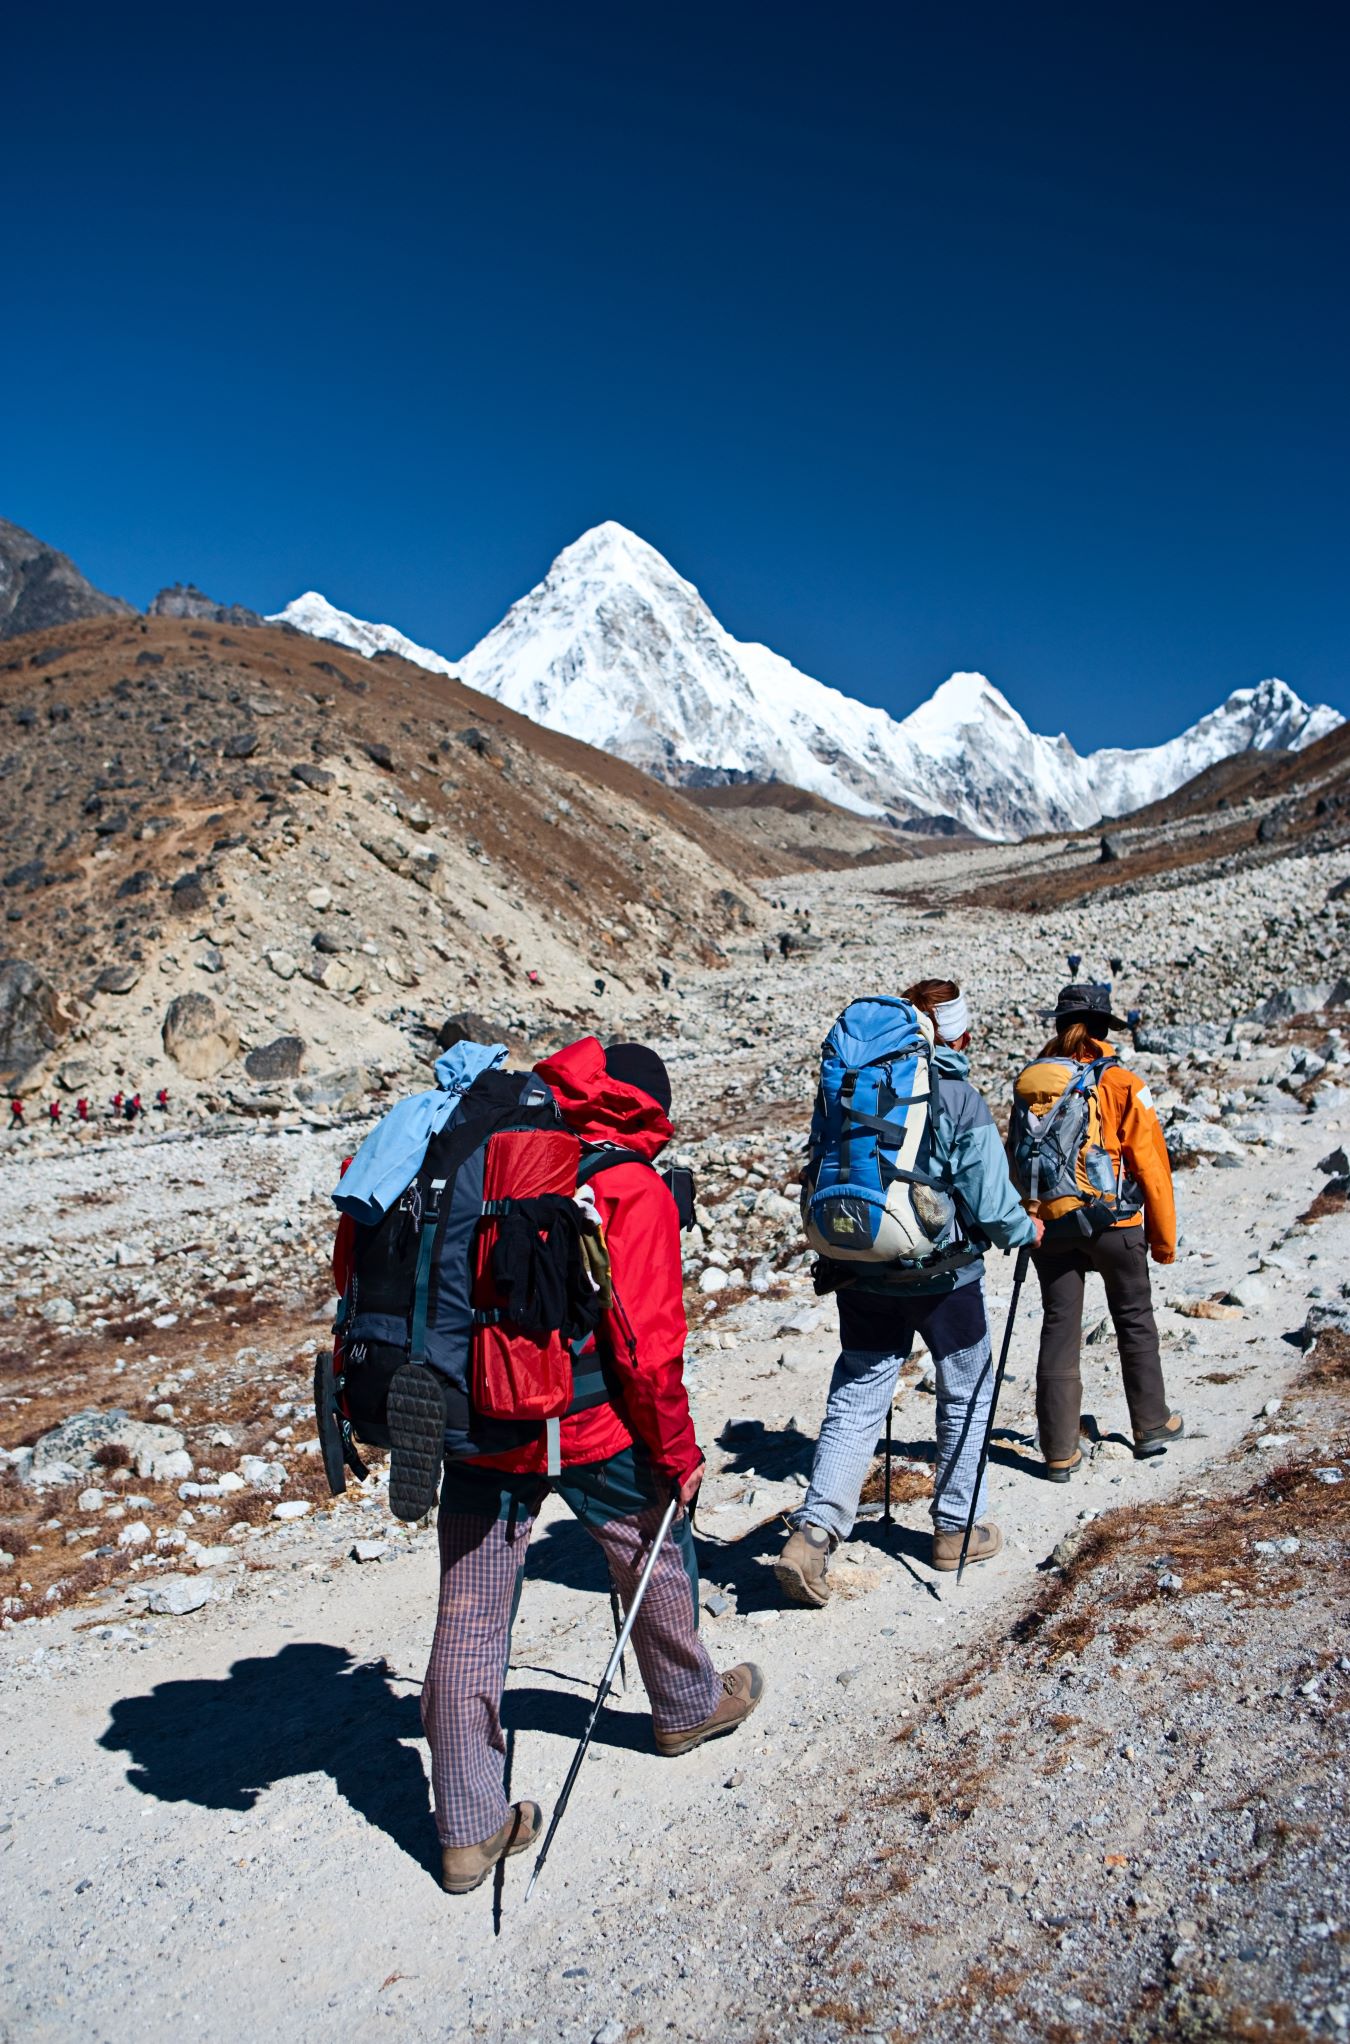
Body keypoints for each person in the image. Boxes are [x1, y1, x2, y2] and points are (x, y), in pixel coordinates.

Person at [420, 1036, 764, 1894]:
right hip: (585, 1422)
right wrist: (679, 1456)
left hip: (477, 1417)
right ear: (649, 1111)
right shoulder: (627, 1184)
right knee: (653, 1547)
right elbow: (647, 1354)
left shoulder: (486, 1152)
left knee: (469, 1612)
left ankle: (467, 1829)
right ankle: (687, 1706)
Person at [776, 980, 1041, 1605]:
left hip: (860, 1262)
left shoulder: (848, 1087)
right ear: (950, 1030)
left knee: (859, 1393)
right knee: (967, 1389)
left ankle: (813, 1535)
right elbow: (993, 1204)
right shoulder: (953, 1095)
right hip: (943, 1275)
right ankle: (954, 1528)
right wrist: (1026, 1229)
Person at [1013, 983, 1181, 1478]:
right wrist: (1163, 1241)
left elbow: (1019, 1161)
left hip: (1053, 1224)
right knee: (1133, 1318)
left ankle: (1059, 1450)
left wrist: (1031, 1216)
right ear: (1105, 1029)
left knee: (1059, 1328)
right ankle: (1151, 1425)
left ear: (1059, 1027)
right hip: (1116, 1224)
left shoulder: (1035, 1083)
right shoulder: (1123, 1083)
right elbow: (1151, 1165)